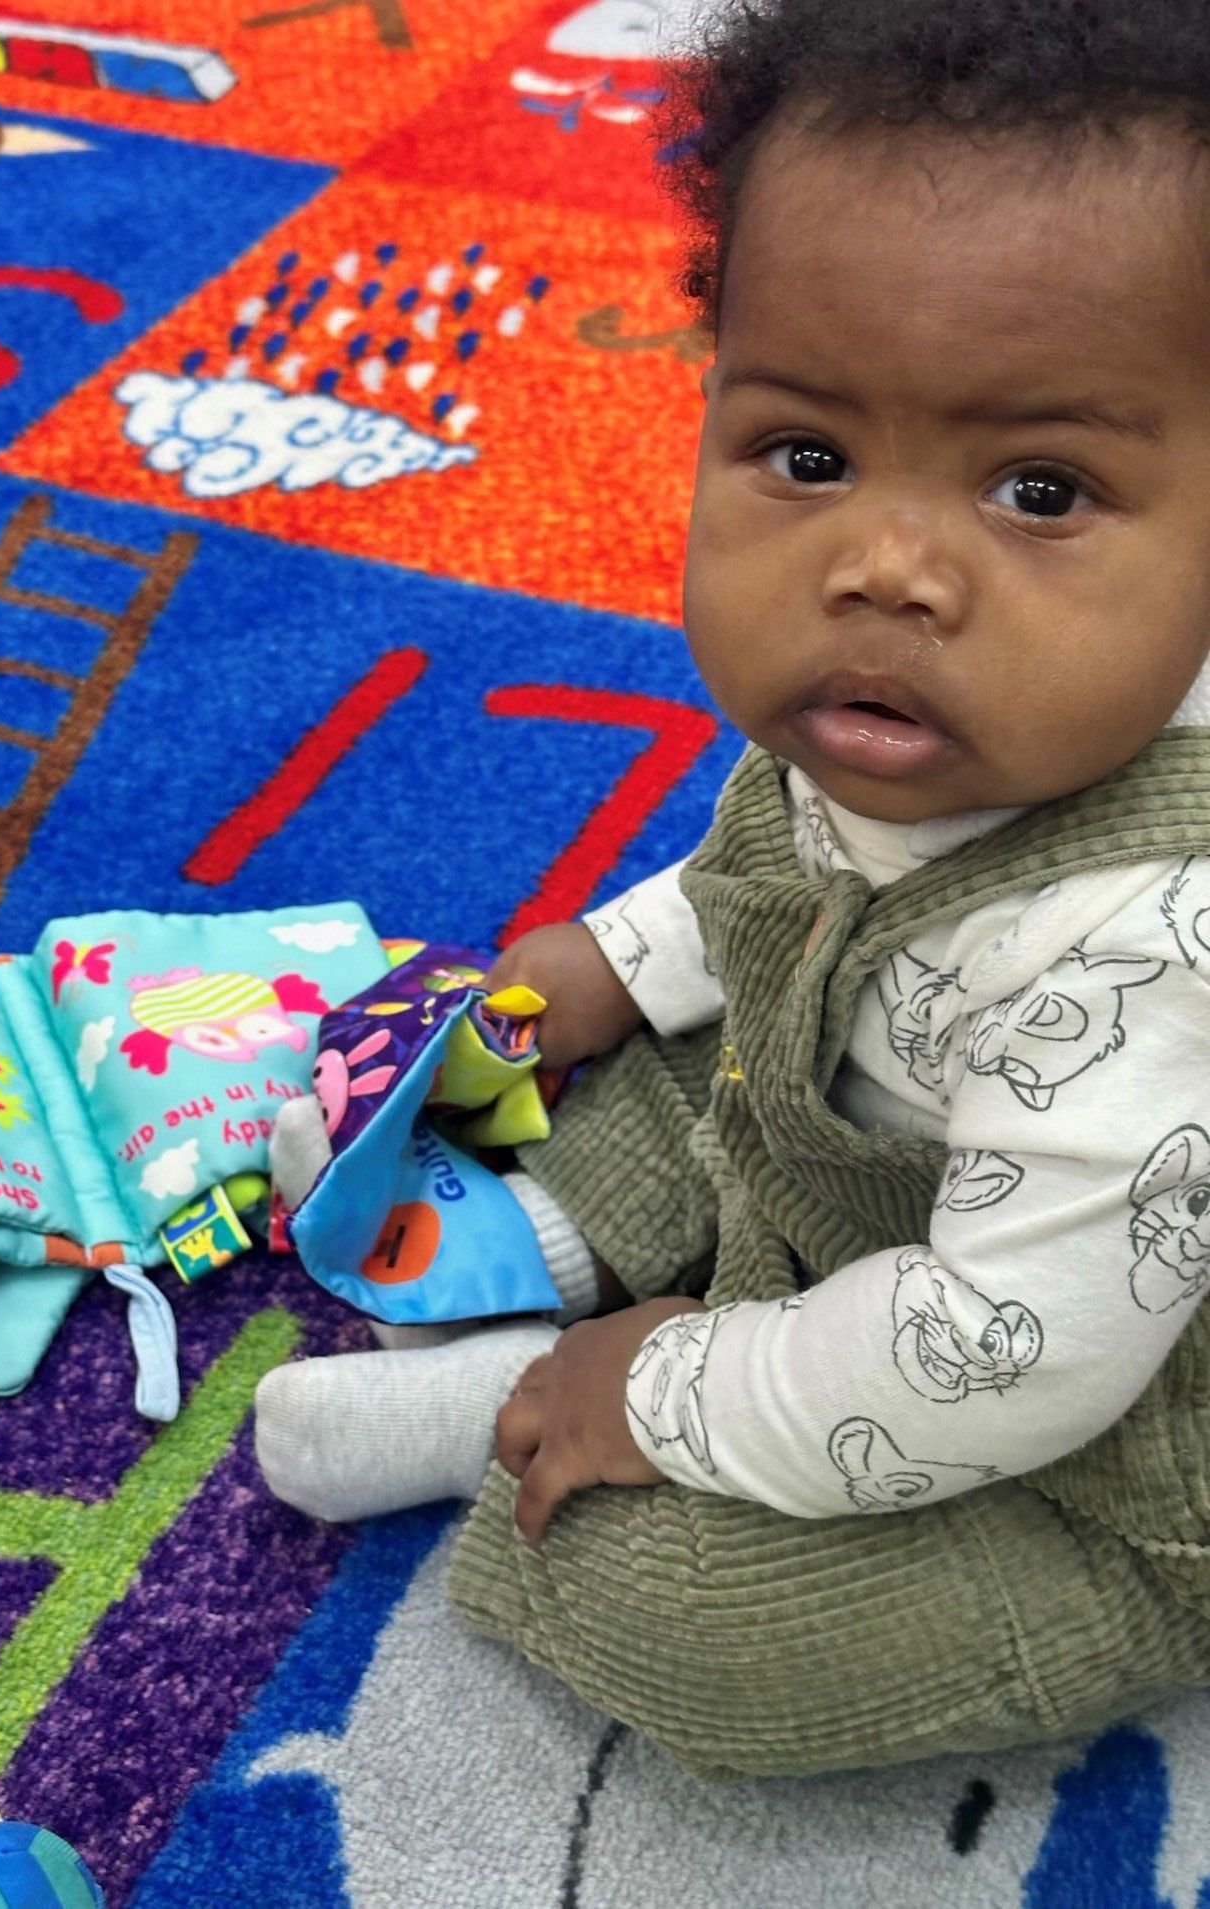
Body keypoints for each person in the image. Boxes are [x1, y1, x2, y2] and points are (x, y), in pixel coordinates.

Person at [256, 0, 1210, 1779]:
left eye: (1039, 487)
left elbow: (1004, 1350)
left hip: (1102, 1435)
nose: (885, 567)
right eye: (809, 457)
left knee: (687, 1623)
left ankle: (518, 1398)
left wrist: (664, 1397)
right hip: (894, 1175)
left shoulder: (1158, 941)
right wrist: (612, 960)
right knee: (712, 1040)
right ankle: (530, 1248)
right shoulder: (923, 715)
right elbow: (765, 881)